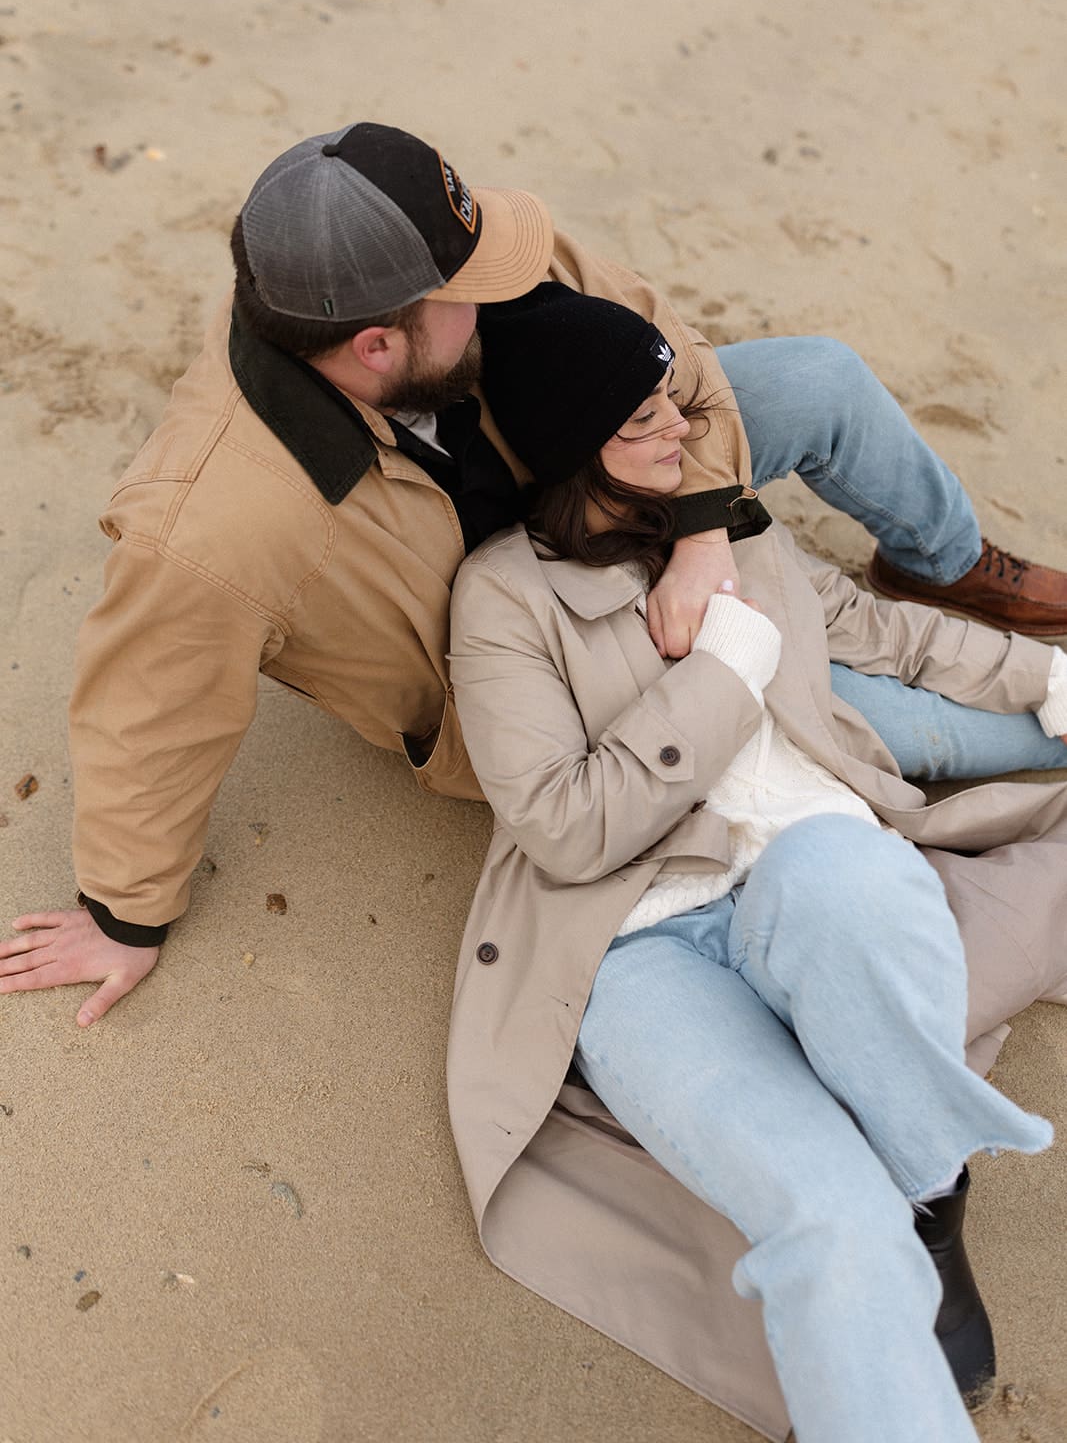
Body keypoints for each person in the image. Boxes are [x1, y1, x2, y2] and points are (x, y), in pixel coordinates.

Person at [1, 120, 1065, 1028]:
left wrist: (698, 529)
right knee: (859, 719)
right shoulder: (213, 529)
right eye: (470, 292)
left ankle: (946, 563)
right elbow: (150, 708)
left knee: (817, 383)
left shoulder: (457, 258)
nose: (514, 276)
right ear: (377, 345)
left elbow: (670, 360)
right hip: (530, 662)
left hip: (609, 486)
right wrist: (123, 912)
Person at [445, 282, 1067, 1443]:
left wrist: (1044, 681)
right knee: (827, 1222)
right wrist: (722, 665)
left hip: (816, 876)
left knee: (843, 876)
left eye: (669, 397)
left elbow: (888, 634)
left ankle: (927, 1183)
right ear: (573, 453)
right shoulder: (501, 601)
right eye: (641, 422)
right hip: (640, 952)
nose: (682, 428)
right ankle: (904, 1193)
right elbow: (568, 827)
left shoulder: (729, 526)